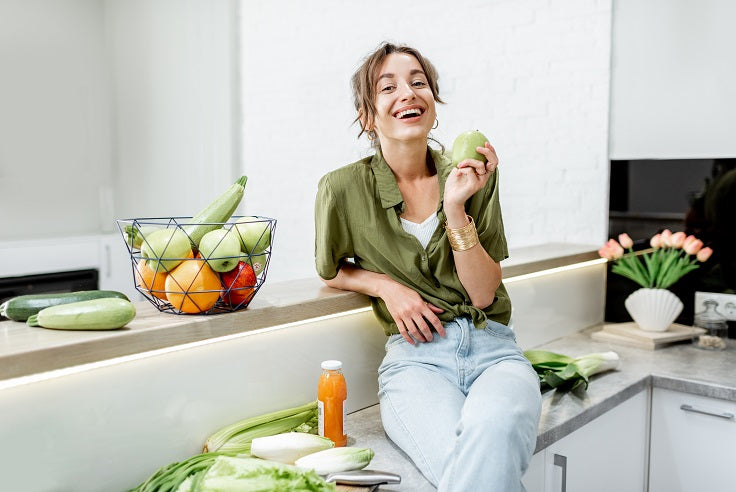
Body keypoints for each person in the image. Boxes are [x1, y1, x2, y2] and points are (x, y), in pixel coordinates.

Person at [314, 42, 542, 491]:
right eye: (388, 86)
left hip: (494, 352)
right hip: (416, 362)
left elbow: (481, 294)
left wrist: (456, 208)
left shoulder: (472, 174)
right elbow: (331, 270)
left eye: (419, 82)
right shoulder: (340, 188)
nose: (408, 93)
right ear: (367, 114)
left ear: (433, 104)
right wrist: (386, 286)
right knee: (477, 465)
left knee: (493, 431)